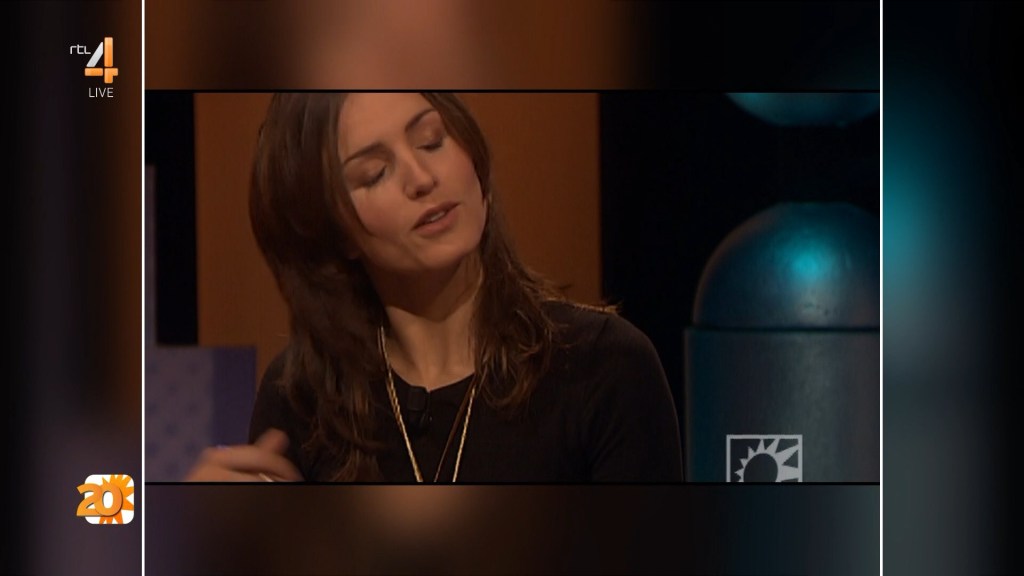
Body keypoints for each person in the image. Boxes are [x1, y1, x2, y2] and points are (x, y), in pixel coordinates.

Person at [185, 92, 683, 483]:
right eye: (375, 174)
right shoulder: (302, 400)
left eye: (431, 141)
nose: (422, 177)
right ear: (335, 233)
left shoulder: (604, 368)